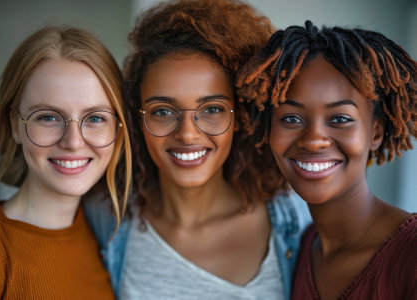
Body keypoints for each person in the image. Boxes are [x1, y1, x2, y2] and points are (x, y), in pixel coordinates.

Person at [84, 1, 311, 299]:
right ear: (137, 118)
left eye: (212, 109)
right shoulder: (104, 217)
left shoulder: (293, 216)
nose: (187, 134)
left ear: (240, 117)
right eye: (163, 111)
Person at [236, 20, 417, 299]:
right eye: (291, 118)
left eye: (340, 119)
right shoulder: (300, 247)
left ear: (376, 132)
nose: (312, 139)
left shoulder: (410, 255)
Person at [0, 26, 131, 299]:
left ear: (118, 129)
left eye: (95, 118)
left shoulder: (106, 238)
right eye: (48, 117)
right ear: (15, 126)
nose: (73, 142)